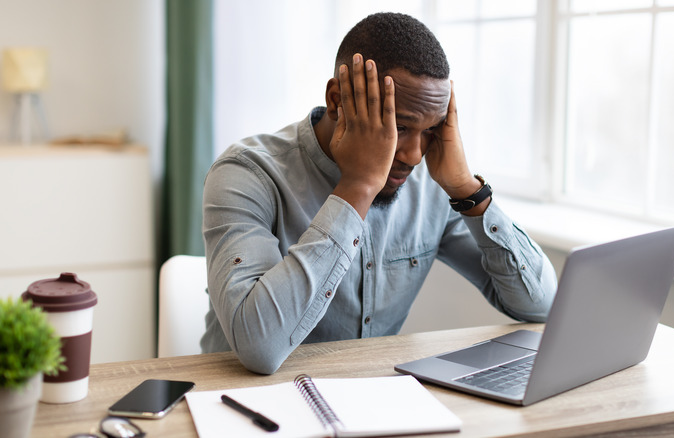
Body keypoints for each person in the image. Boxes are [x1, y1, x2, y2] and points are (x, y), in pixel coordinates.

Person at [201, 12, 558, 374]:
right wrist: (357, 186)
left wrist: (467, 189)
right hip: (248, 407)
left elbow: (542, 306)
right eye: (399, 126)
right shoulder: (247, 173)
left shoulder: (432, 185)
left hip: (374, 402)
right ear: (337, 100)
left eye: (431, 129)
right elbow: (259, 347)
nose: (414, 155)